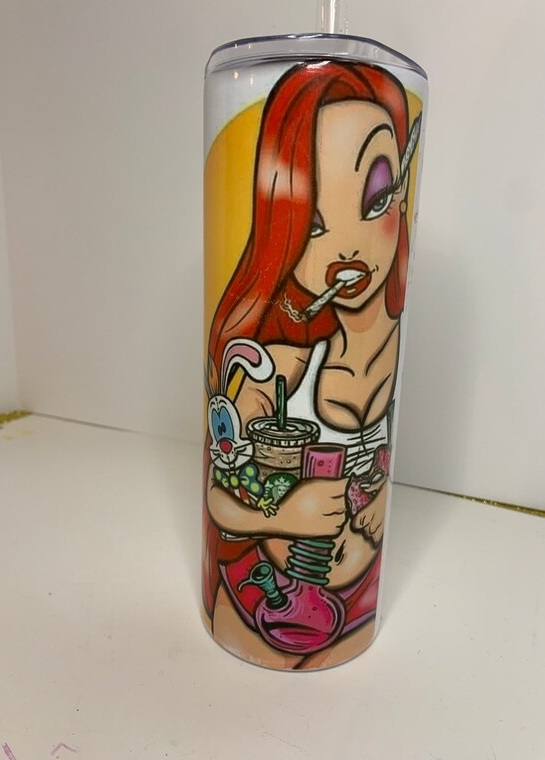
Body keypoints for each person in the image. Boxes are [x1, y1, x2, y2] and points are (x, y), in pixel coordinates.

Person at [203, 60, 418, 669]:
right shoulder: (281, 366)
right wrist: (283, 514)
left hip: (360, 601)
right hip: (263, 599)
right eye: (314, 222)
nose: (345, 247)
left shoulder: (396, 346)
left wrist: (372, 501)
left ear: (403, 197)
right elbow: (220, 495)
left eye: (374, 198)